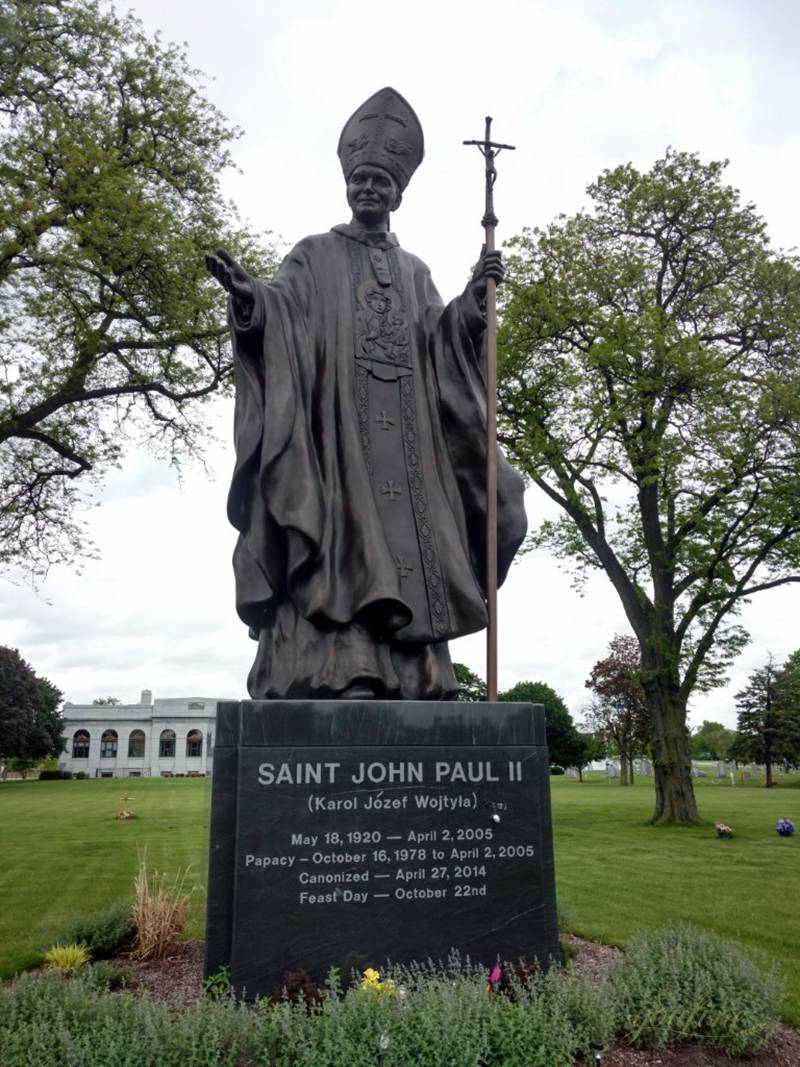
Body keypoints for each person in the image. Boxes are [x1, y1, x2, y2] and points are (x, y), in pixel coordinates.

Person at [206, 87, 526, 700]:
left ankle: (427, 677)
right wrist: (252, 301)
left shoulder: (414, 272)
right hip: (341, 437)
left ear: (398, 193)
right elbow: (284, 310)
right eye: (362, 181)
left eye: (382, 182)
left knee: (424, 545)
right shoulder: (314, 254)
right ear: (348, 187)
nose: (370, 190)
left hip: (411, 443)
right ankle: (343, 670)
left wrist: (473, 306)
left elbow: (440, 339)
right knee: (346, 548)